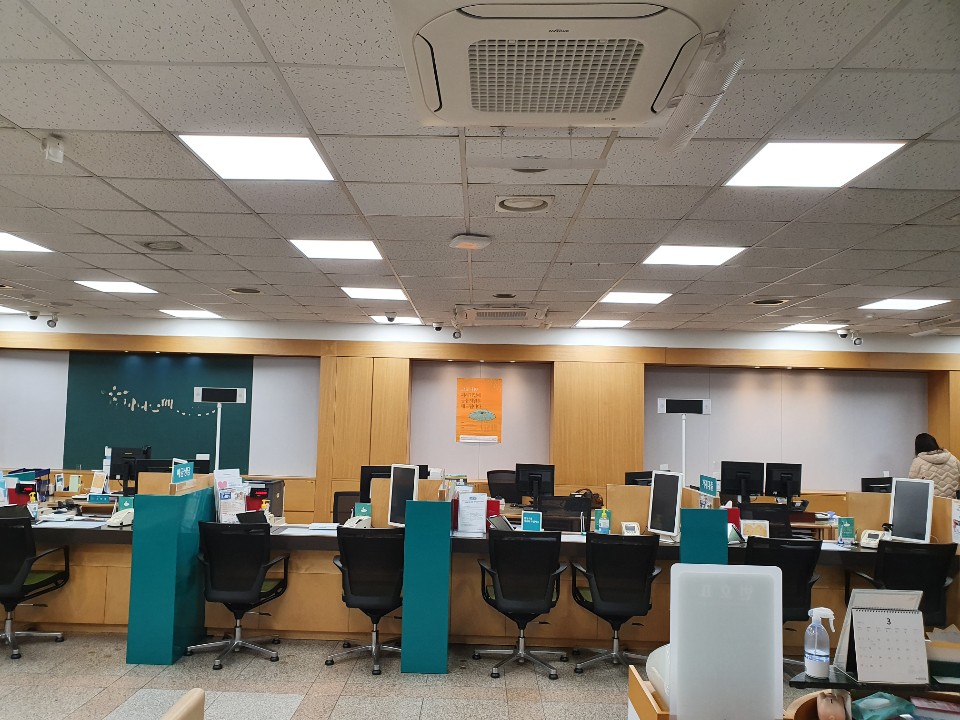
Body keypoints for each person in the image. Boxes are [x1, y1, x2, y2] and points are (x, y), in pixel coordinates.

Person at [908, 433, 960, 498]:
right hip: (952, 502)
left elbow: (912, 487)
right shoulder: (953, 459)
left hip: (930, 502)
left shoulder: (918, 462)